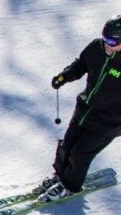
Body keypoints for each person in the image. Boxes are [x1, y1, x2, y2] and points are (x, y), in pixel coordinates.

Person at [41, 15, 121, 202]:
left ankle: (70, 186)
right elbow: (81, 64)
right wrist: (64, 76)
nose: (107, 45)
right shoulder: (97, 48)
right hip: (85, 109)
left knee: (80, 153)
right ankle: (59, 176)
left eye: (112, 42)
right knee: (67, 144)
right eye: (105, 39)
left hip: (110, 121)